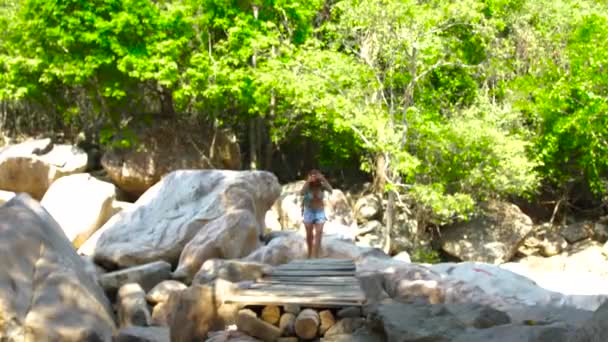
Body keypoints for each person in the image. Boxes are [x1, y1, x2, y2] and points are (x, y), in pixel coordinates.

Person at [300, 169, 333, 258]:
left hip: (320, 211)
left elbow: (331, 190)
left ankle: (315, 255)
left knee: (318, 233)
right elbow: (302, 193)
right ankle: (309, 254)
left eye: (316, 175)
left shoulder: (322, 186)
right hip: (308, 211)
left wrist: (323, 179)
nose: (314, 177)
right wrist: (308, 181)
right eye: (312, 175)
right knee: (309, 234)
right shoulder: (307, 186)